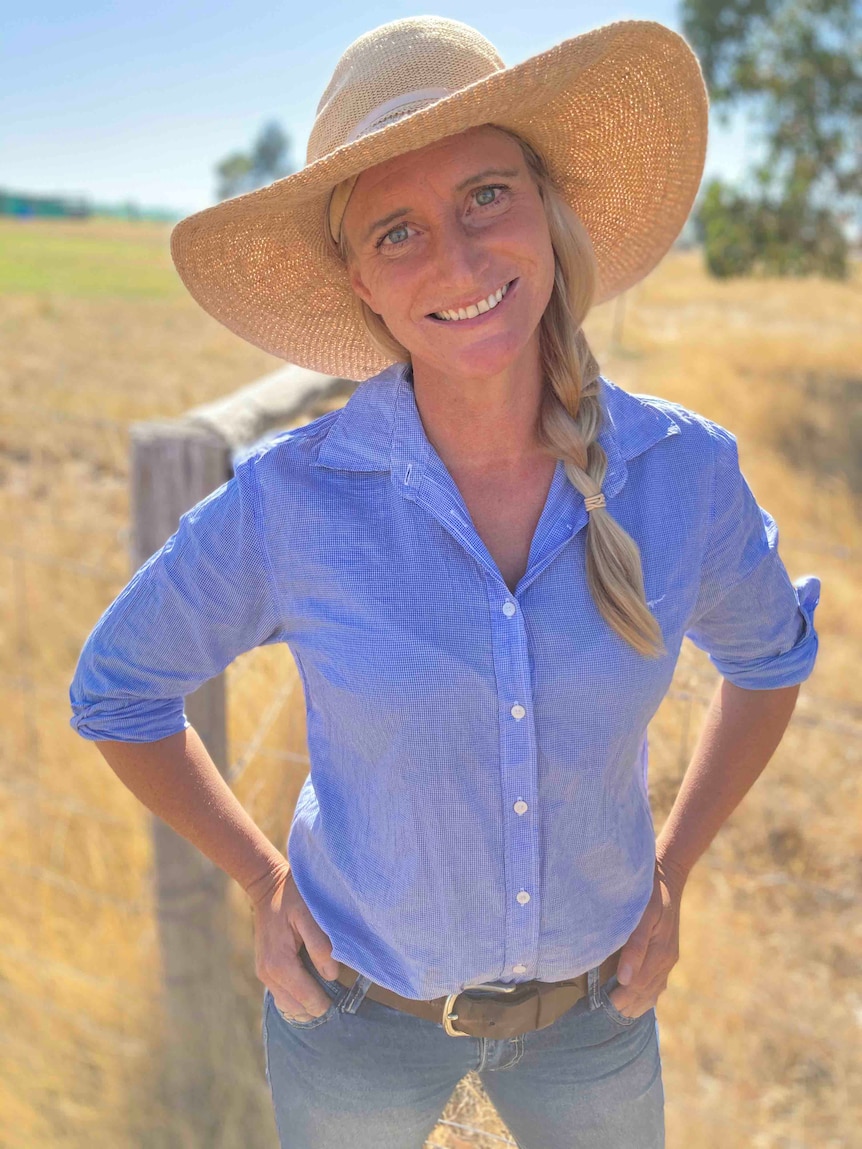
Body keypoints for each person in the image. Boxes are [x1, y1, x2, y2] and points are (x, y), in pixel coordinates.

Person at [69, 15, 821, 1149]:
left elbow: (771, 660)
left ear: (548, 210)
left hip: (596, 1016)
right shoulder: (291, 501)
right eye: (398, 231)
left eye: (485, 196)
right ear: (360, 283)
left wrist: (672, 871)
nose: (459, 262)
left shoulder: (683, 475)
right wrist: (264, 882)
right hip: (354, 1016)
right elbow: (116, 691)